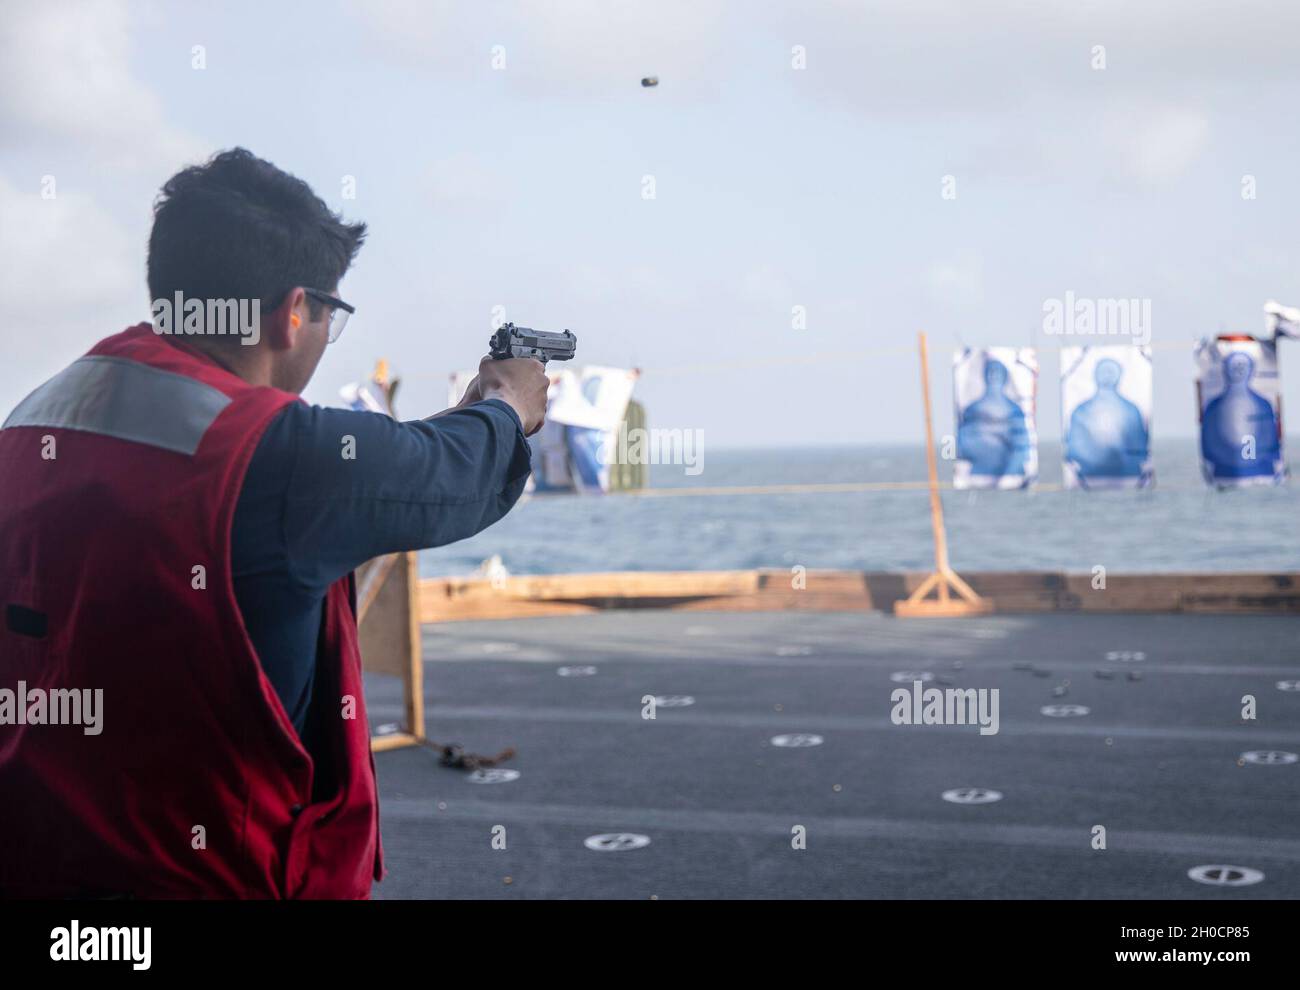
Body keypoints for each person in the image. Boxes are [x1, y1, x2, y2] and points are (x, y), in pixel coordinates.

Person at [0, 148, 549, 898]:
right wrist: (508, 405)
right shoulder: (272, 451)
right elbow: (447, 477)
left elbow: (375, 469)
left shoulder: (34, 418)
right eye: (332, 315)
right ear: (295, 313)